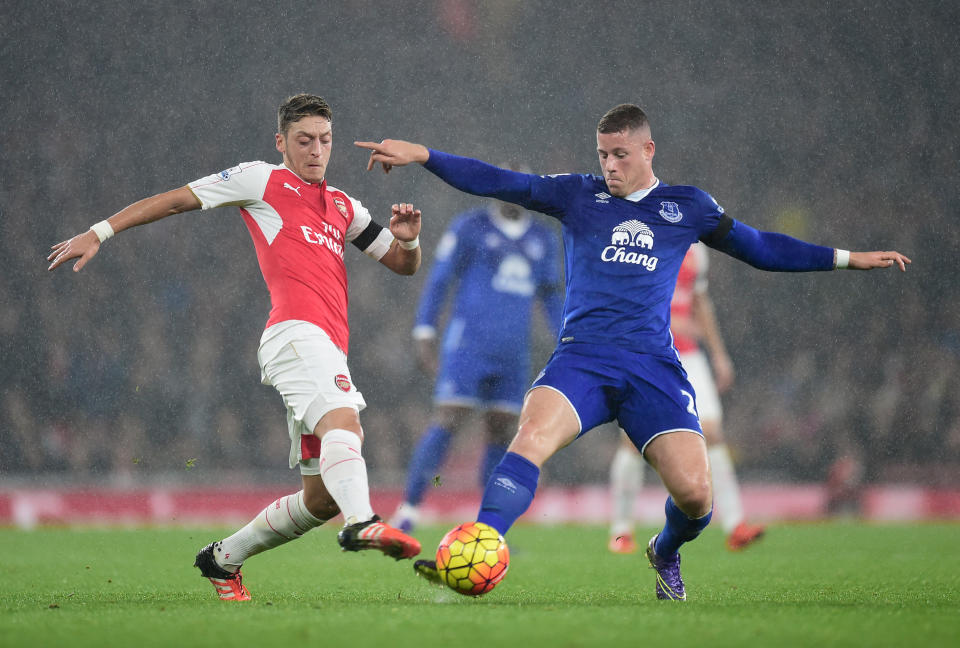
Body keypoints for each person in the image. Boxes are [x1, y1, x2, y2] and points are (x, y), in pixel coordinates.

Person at [354, 103, 910, 601]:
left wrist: (846, 258)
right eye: (602, 155)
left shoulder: (686, 207)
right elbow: (501, 182)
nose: (609, 166)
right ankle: (484, 539)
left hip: (652, 367)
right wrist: (425, 155)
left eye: (620, 155)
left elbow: (760, 247)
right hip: (583, 359)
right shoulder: (579, 194)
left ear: (648, 150)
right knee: (529, 439)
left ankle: (665, 549)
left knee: (695, 496)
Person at [48, 93, 424, 602]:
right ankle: (364, 523)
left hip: (326, 347)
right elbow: (180, 198)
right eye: (304, 140)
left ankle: (222, 559)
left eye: (325, 141)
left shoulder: (343, 206)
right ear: (281, 143)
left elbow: (403, 267)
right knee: (345, 423)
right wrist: (101, 231)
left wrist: (408, 241)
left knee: (318, 500)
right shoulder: (261, 178)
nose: (316, 150)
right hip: (294, 333)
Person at [390, 198, 562, 533]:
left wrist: (566, 339)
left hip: (513, 351)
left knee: (501, 427)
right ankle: (408, 509)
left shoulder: (542, 238)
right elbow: (440, 279)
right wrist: (425, 329)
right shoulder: (470, 226)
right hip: (469, 344)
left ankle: (488, 525)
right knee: (449, 417)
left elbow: (551, 296)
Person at [607, 243, 765, 555]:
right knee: (631, 441)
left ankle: (735, 526)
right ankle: (621, 530)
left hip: (690, 356)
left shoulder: (696, 248)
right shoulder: (642, 239)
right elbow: (625, 297)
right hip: (648, 351)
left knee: (713, 434)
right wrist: (667, 323)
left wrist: (719, 355)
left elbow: (700, 301)